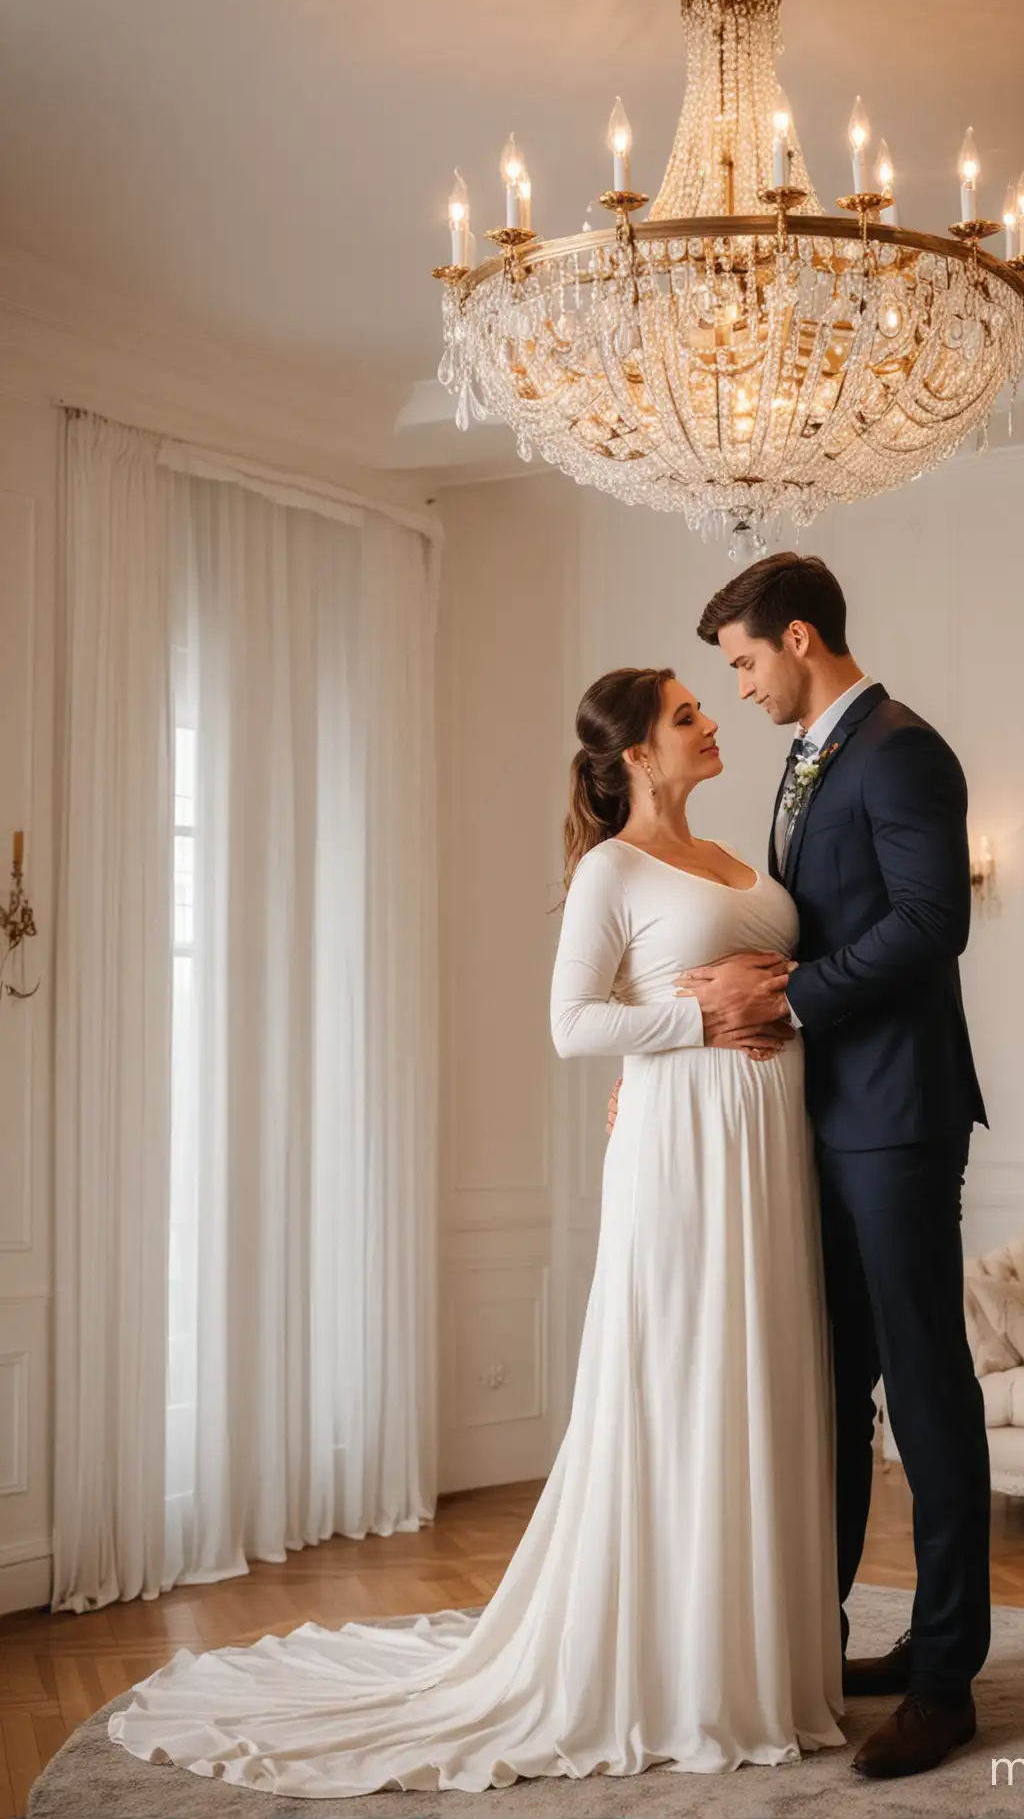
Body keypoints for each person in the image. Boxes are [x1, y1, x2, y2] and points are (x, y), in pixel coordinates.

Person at [106, 665, 844, 1796]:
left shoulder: (742, 854)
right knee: (685, 1372)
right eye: (687, 713)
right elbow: (570, 1024)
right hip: (682, 1154)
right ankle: (678, 1664)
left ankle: (757, 1657)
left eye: (704, 703)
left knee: (761, 1373)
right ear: (639, 754)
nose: (709, 721)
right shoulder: (609, 867)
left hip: (765, 1149)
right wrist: (695, 1016)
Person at [679, 552, 992, 1780]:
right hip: (822, 1118)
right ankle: (830, 1643)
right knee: (834, 1383)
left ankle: (949, 1675)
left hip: (900, 1117)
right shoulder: (809, 760)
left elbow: (931, 923)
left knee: (925, 1386)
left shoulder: (906, 750)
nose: (741, 690)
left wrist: (796, 1000)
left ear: (799, 638)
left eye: (746, 663)